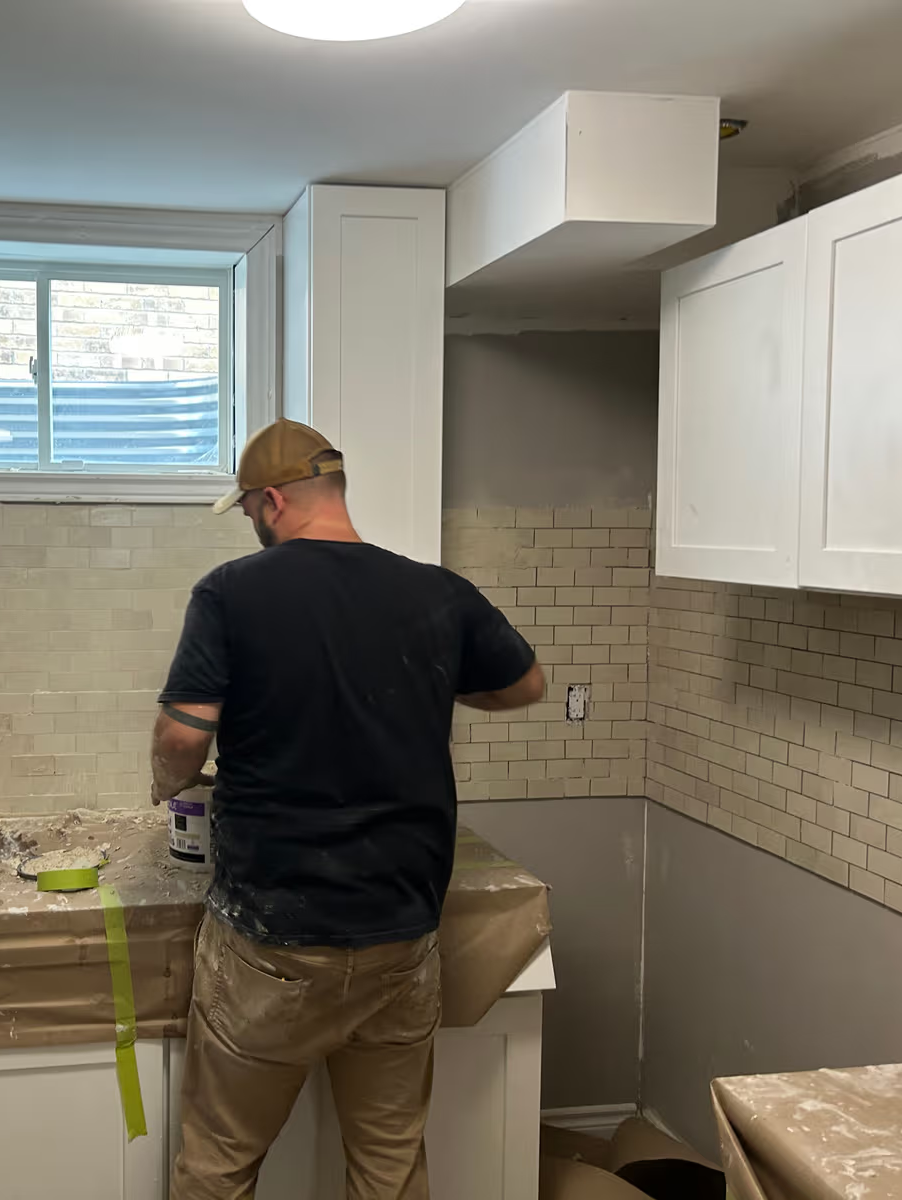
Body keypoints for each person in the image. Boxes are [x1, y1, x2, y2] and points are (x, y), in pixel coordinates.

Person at [151, 418, 545, 1200]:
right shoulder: (436, 591)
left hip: (273, 943)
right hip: (400, 936)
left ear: (271, 502)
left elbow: (181, 735)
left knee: (220, 1164)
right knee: (389, 1168)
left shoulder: (232, 592)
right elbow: (527, 686)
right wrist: (433, 682)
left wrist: (167, 781)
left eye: (251, 512)